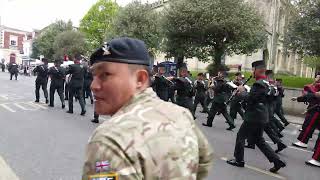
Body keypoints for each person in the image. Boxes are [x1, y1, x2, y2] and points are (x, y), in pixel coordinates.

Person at [82, 37, 213, 180]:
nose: (93, 85)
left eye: (105, 75)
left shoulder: (108, 139)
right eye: (94, 75)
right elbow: (204, 161)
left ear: (140, 79)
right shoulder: (180, 114)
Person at [226, 60, 286, 173]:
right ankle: (276, 161)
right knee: (258, 140)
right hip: (262, 115)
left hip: (254, 115)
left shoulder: (258, 84)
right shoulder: (267, 83)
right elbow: (264, 97)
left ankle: (239, 160)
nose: (252, 72)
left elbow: (250, 99)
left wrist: (241, 91)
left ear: (258, 70)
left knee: (241, 136)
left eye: (253, 70)